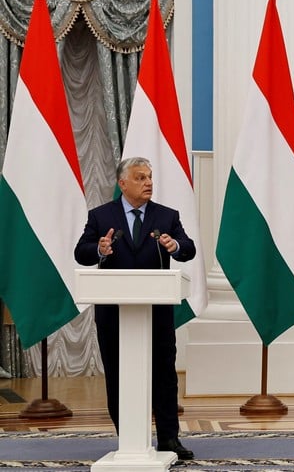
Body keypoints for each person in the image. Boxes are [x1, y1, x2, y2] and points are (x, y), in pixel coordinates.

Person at [74, 157, 195, 460]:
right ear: (122, 183)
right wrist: (99, 249)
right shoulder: (101, 216)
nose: (148, 183)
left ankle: (169, 439)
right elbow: (81, 253)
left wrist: (174, 246)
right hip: (114, 312)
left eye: (150, 177)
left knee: (164, 375)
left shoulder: (166, 216)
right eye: (140, 178)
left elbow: (188, 248)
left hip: (157, 311)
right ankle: (126, 437)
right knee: (117, 373)